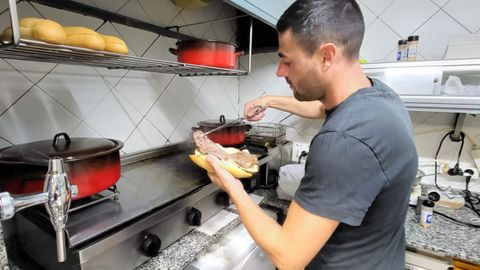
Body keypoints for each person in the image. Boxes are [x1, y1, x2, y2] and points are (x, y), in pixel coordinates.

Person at [206, 0, 418, 269]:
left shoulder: (343, 140)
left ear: (326, 56)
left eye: (287, 60)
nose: (279, 70)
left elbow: (287, 257)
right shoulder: (380, 97)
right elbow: (324, 107)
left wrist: (232, 186)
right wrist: (270, 100)